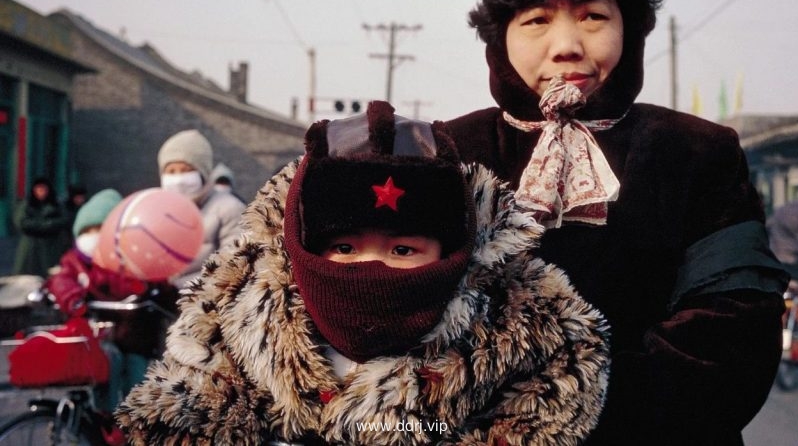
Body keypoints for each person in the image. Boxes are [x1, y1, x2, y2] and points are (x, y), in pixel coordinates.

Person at [444, 0, 789, 444]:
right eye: (537, 19)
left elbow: (734, 326)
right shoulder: (448, 152)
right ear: (500, 38)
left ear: (630, 27)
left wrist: (566, 410)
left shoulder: (698, 151)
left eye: (593, 15)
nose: (566, 45)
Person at [116, 102, 610, 445]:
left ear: (451, 250)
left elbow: (546, 402)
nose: (370, 268)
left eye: (402, 248)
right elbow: (196, 403)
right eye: (345, 248)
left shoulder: (511, 320)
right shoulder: (245, 306)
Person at [45, 188, 178, 411]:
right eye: (88, 230)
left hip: (135, 339)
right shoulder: (74, 262)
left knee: (137, 384)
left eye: (100, 229)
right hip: (95, 338)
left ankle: (132, 426)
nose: (93, 236)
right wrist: (73, 298)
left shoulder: (130, 260)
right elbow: (61, 280)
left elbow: (145, 286)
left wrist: (141, 286)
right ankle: (105, 420)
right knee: (105, 372)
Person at [157, 129, 246, 289]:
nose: (178, 178)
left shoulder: (229, 208)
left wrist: (180, 289)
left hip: (202, 304)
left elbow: (233, 267)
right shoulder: (157, 212)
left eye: (186, 170)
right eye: (171, 171)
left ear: (203, 172)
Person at [12, 177, 72, 277]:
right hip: (30, 247)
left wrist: (47, 225)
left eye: (43, 189)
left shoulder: (56, 205)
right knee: (27, 277)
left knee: (49, 275)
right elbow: (21, 222)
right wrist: (43, 225)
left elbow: (63, 221)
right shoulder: (27, 205)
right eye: (38, 189)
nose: (41, 192)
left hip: (51, 247)